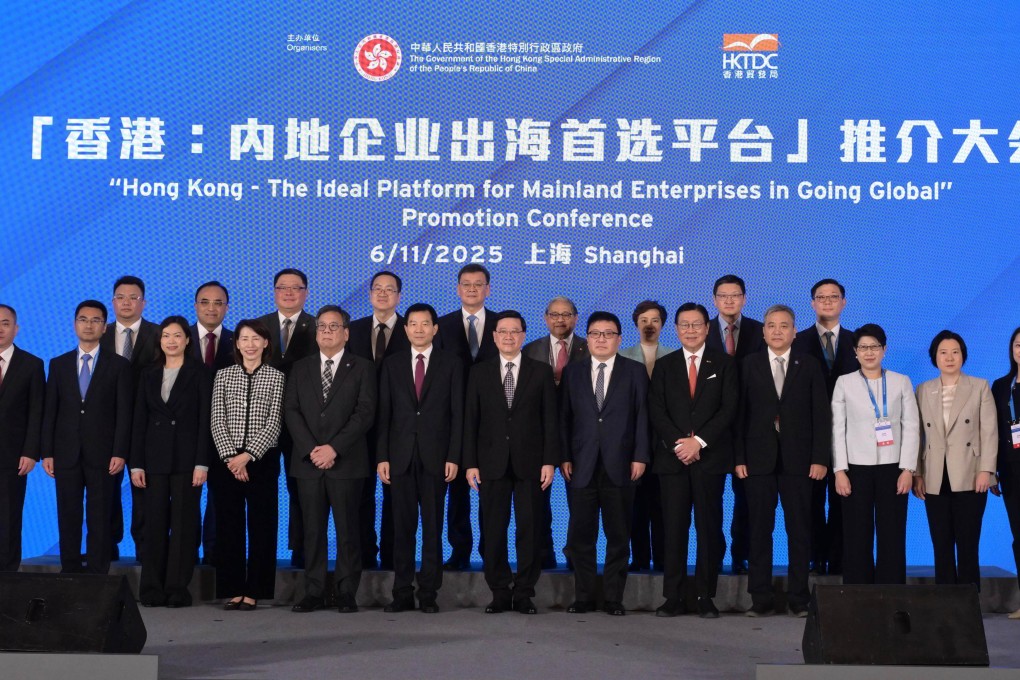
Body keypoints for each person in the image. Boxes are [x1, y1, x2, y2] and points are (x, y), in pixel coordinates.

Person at [736, 304, 829, 617]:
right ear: (763, 332)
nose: (777, 331)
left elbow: (821, 416)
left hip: (800, 463)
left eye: (784, 326)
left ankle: (799, 599)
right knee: (759, 531)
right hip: (757, 461)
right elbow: (739, 416)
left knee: (800, 532)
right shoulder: (748, 365)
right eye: (771, 326)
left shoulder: (811, 365)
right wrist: (739, 457)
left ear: (794, 331)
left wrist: (819, 458)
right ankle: (760, 599)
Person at [463, 310, 558, 614]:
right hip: (490, 462)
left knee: (530, 529)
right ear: (493, 336)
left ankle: (525, 591)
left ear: (523, 336)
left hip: (531, 463)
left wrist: (549, 461)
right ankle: (500, 590)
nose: (508, 336)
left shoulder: (540, 371)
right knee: (493, 529)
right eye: (502, 331)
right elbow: (470, 422)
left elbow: (550, 422)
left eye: (514, 331)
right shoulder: (479, 372)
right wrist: (471, 462)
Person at [648, 303, 738, 618]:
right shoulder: (665, 365)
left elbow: (729, 409)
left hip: (709, 459)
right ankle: (672, 597)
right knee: (673, 529)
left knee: (708, 529)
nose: (690, 330)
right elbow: (656, 410)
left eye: (696, 324)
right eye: (684, 325)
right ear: (676, 329)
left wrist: (698, 442)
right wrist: (680, 445)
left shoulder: (724, 364)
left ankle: (704, 596)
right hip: (673, 461)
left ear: (707, 328)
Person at [285, 306, 376, 614]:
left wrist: (333, 448)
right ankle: (313, 591)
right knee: (311, 530)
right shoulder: (300, 368)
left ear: (346, 333)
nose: (326, 331)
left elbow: (364, 413)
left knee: (349, 530)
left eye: (333, 326)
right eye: (322, 326)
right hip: (309, 463)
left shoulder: (362, 367)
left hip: (347, 462)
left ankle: (347, 591)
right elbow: (292, 411)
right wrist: (313, 448)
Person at [561, 312, 650, 616]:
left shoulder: (635, 371)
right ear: (587, 338)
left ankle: (613, 598)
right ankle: (584, 597)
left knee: (618, 535)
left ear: (619, 339)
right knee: (580, 536)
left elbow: (642, 417)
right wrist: (564, 456)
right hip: (581, 465)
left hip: (622, 464)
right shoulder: (572, 373)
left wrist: (640, 456)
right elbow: (565, 420)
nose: (601, 339)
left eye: (608, 334)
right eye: (596, 333)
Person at [377, 303, 463, 613]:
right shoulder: (392, 364)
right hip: (399, 457)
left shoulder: (451, 364)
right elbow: (384, 414)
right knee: (402, 528)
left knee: (432, 528)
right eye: (413, 324)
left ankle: (428, 593)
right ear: (406, 329)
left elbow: (457, 414)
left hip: (437, 458)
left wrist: (454, 455)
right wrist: (382, 456)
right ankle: (401, 592)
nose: (418, 329)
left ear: (435, 328)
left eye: (425, 324)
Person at [42, 300, 132, 574]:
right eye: (83, 319)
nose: (89, 325)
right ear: (74, 324)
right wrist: (47, 452)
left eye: (95, 320)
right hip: (65, 453)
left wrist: (120, 451)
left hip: (104, 455)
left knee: (100, 517)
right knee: (68, 515)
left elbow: (124, 413)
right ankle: (68, 571)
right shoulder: (57, 364)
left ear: (105, 327)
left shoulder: (119, 365)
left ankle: (97, 574)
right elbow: (50, 411)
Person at [130, 316, 211, 607]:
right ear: (159, 340)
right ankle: (151, 587)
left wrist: (203, 462)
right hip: (152, 459)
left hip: (187, 459)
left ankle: (178, 587)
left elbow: (205, 421)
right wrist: (135, 463)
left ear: (187, 340)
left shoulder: (200, 373)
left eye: (177, 335)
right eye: (166, 336)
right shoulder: (148, 374)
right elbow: (139, 420)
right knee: (152, 523)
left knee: (184, 524)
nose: (172, 341)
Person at [831, 324, 919, 585]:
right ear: (855, 352)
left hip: (893, 467)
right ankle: (858, 592)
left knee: (892, 532)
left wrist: (908, 469)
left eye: (874, 347)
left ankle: (892, 591)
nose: (869, 352)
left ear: (884, 350)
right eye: (863, 347)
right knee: (857, 533)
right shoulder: (844, 383)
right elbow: (837, 428)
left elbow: (911, 425)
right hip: (856, 468)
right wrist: (839, 471)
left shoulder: (900, 381)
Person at [210, 319, 285, 610]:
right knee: (228, 526)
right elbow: (216, 419)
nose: (250, 344)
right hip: (226, 463)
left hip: (262, 461)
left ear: (265, 343)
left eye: (256, 339)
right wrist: (231, 457)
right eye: (244, 339)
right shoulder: (223, 376)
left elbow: (274, 422)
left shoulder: (277, 377)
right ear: (237, 344)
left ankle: (255, 589)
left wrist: (248, 455)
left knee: (262, 525)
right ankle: (232, 588)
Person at [913, 330, 997, 590]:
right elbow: (917, 434)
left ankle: (969, 601)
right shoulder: (924, 389)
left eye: (955, 352)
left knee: (968, 542)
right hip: (935, 475)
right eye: (943, 352)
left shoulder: (980, 386)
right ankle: (945, 600)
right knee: (940, 542)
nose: (949, 357)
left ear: (963, 355)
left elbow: (989, 431)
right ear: (934, 357)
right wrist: (917, 473)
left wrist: (987, 470)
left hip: (971, 474)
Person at [792, 278, 859, 576]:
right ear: (812, 304)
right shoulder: (797, 341)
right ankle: (815, 557)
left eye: (834, 297)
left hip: (851, 435)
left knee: (844, 499)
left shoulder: (859, 342)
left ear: (844, 302)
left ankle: (839, 558)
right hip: (809, 435)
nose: (828, 301)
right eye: (821, 297)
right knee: (811, 500)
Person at [434, 264, 498, 570]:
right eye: (466, 284)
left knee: (490, 491)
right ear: (458, 289)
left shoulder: (503, 324)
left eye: (478, 284)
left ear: (488, 289)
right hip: (452, 421)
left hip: (494, 423)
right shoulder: (441, 326)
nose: (472, 289)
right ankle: (459, 550)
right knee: (457, 492)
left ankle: (491, 552)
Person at [347, 271, 409, 571]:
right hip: (357, 429)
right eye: (377, 289)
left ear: (399, 296)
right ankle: (364, 555)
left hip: (399, 429)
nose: (383, 294)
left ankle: (392, 557)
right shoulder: (353, 330)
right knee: (360, 495)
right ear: (370, 294)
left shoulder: (412, 331)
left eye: (390, 289)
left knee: (395, 496)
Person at [522, 295, 588, 569]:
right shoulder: (529, 350)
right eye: (555, 314)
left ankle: (577, 556)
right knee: (538, 501)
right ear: (546, 318)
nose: (560, 319)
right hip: (540, 436)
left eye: (566, 314)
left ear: (575, 318)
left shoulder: (591, 347)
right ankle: (543, 554)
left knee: (580, 501)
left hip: (580, 435)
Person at [258, 268, 317, 569]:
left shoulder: (319, 327)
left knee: (301, 488)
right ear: (274, 291)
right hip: (262, 424)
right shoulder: (258, 327)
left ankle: (301, 546)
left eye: (296, 288)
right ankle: (262, 552)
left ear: (306, 292)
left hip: (304, 425)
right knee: (262, 490)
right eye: (283, 287)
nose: (289, 293)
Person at [706, 274, 764, 575]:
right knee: (710, 500)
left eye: (735, 295)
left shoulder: (759, 330)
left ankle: (742, 555)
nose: (729, 300)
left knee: (747, 499)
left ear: (744, 298)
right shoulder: (702, 331)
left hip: (750, 427)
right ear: (715, 299)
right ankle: (713, 555)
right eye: (723, 296)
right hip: (711, 429)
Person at [100, 275, 159, 561]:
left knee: (142, 487)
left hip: (147, 426)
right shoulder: (99, 333)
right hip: (105, 426)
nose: (126, 302)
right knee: (105, 488)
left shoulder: (160, 335)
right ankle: (106, 544)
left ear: (143, 303)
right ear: (113, 302)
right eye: (121, 297)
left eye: (133, 297)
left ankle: (145, 548)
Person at [619, 300, 672, 572]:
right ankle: (639, 559)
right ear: (636, 324)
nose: (649, 325)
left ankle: (664, 560)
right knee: (635, 508)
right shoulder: (623, 357)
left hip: (665, 446)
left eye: (654, 320)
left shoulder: (674, 356)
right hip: (631, 445)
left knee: (662, 507)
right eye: (643, 320)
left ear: (662, 324)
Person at [190, 280, 234, 565]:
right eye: (205, 302)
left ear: (227, 308)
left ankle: (215, 557)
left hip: (226, 433)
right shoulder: (176, 339)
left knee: (221, 499)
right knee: (185, 501)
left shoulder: (238, 341)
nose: (211, 308)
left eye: (218, 303)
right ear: (196, 306)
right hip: (185, 434)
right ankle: (186, 555)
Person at [0, 304, 45, 572]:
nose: (0, 329)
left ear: (16, 329)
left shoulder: (32, 364)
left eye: (5, 323)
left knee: (8, 518)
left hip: (13, 456)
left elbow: (37, 411)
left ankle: (6, 577)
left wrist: (31, 451)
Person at [991, 326, 1020, 618]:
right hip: (1011, 471)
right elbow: (994, 431)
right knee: (1018, 534)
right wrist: (993, 470)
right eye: (1018, 344)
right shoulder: (1001, 386)